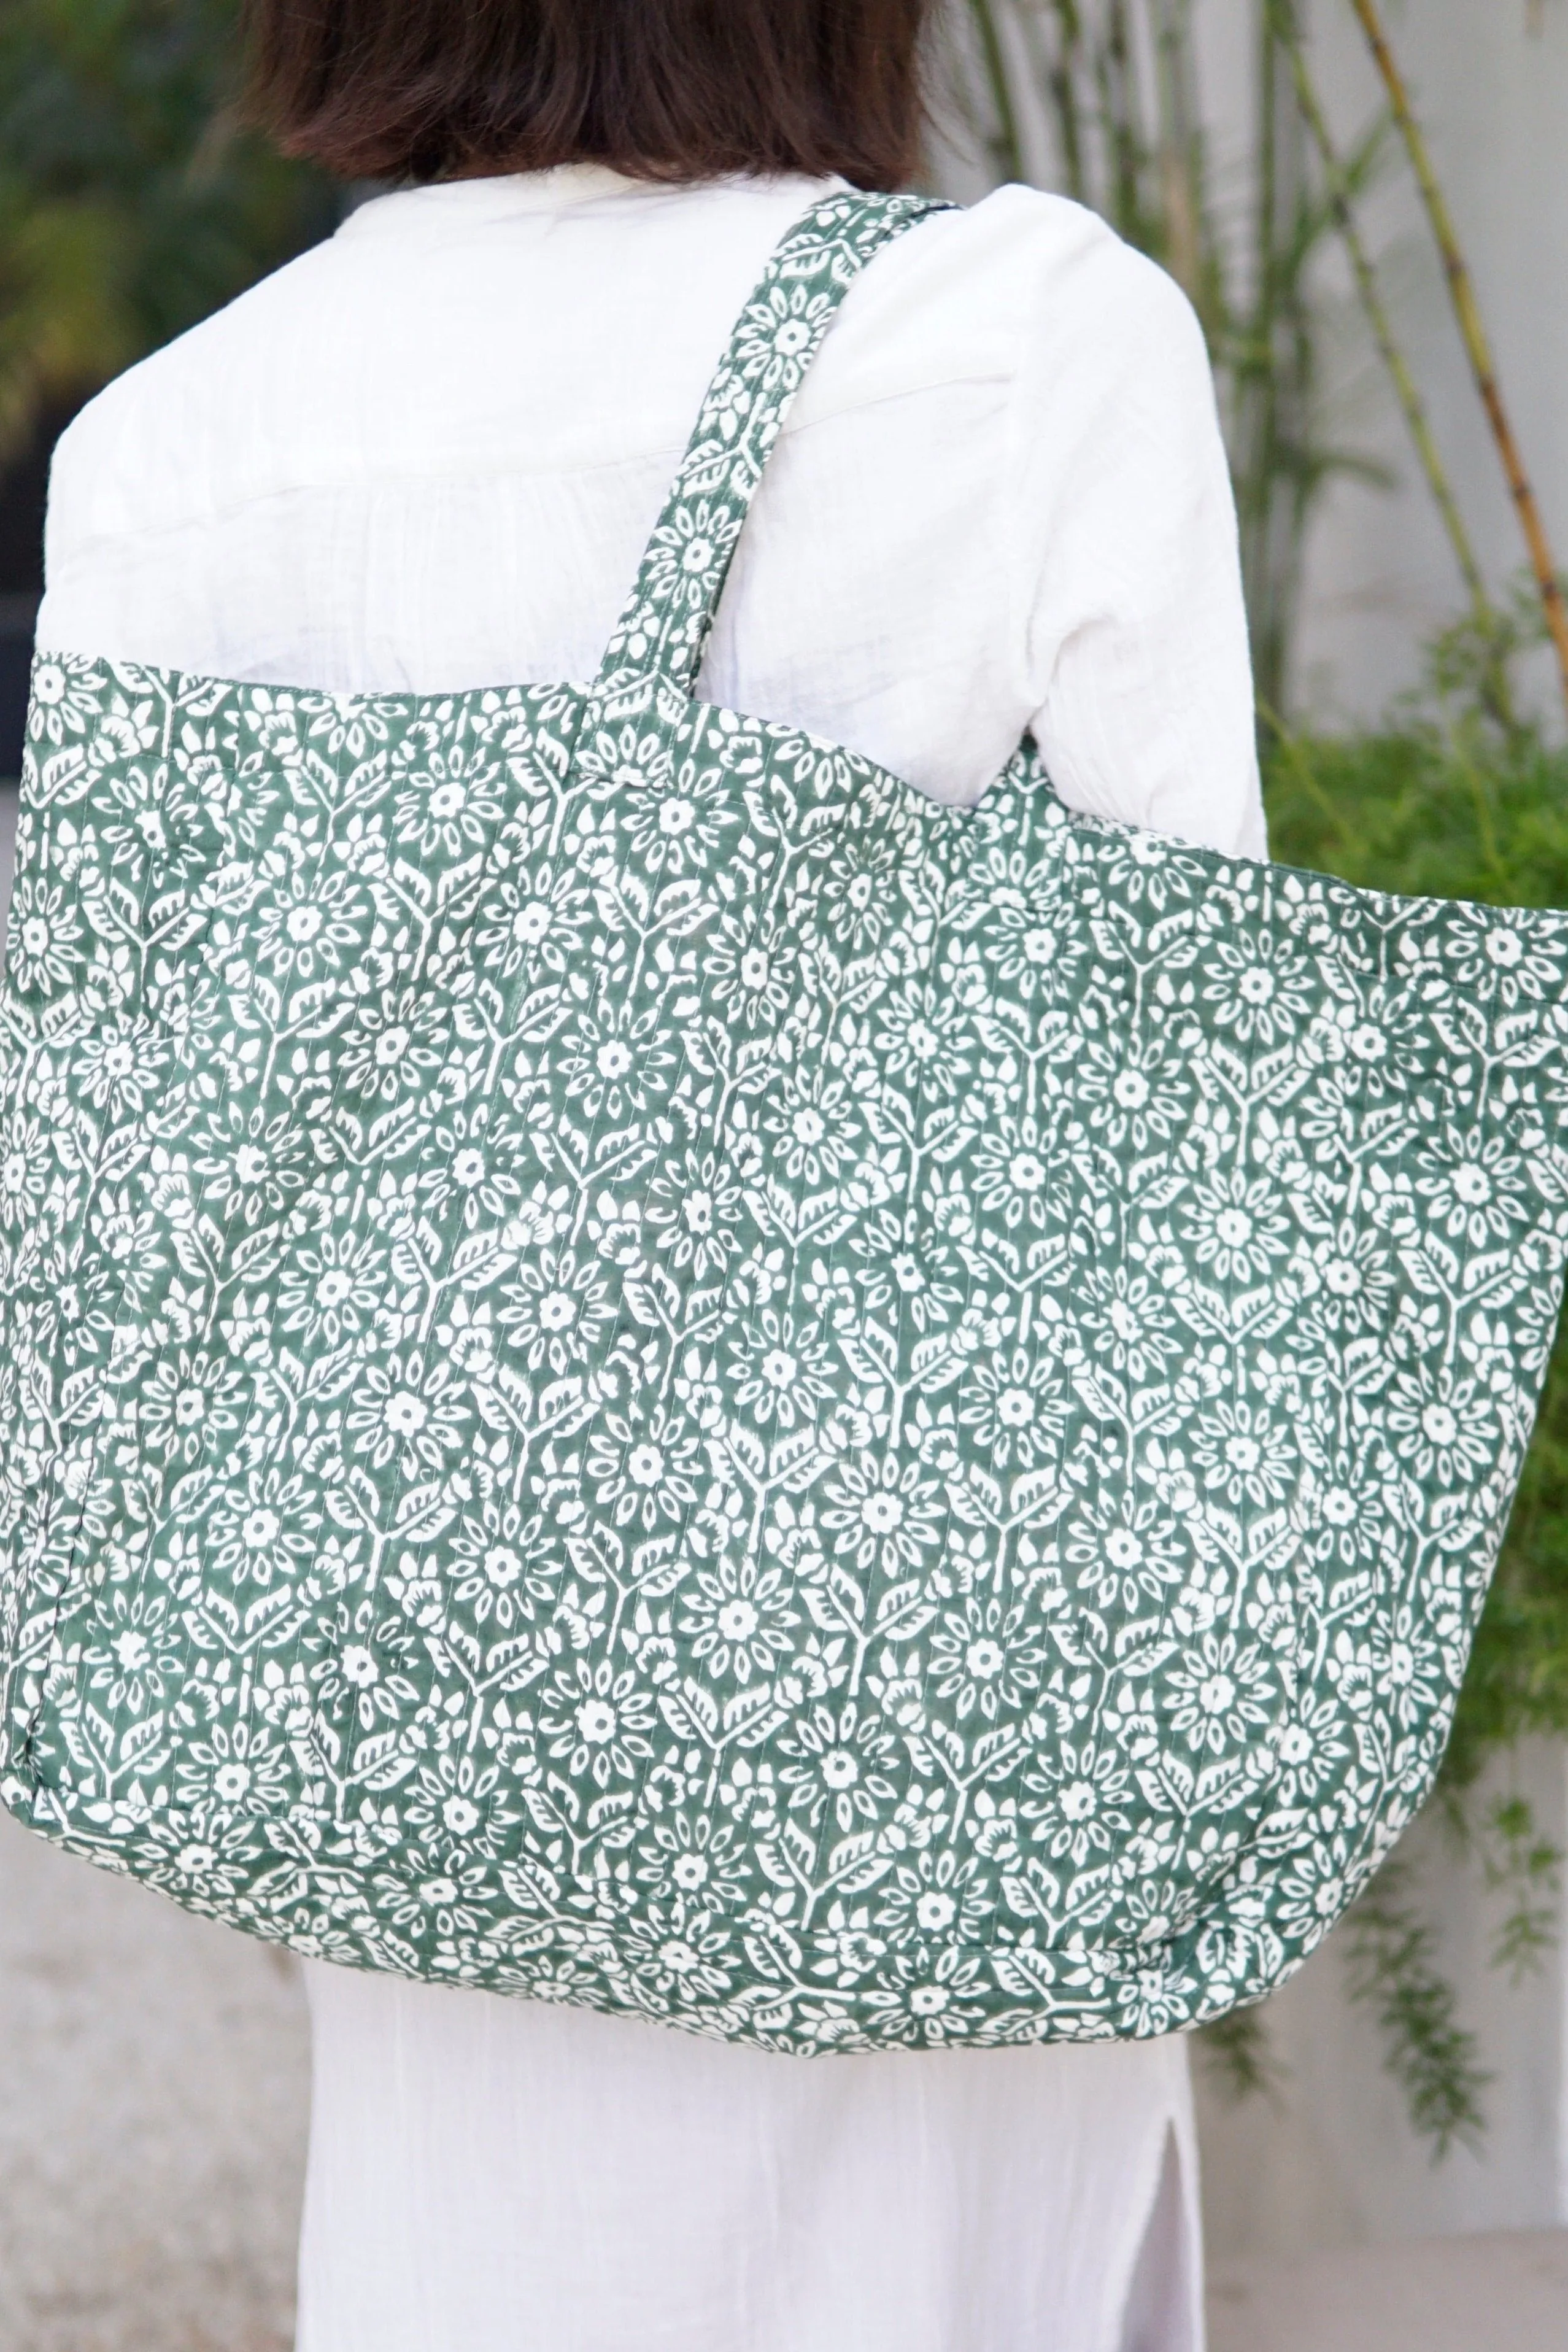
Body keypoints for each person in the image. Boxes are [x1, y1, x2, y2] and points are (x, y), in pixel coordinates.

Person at [36, 2, 1264, 2345]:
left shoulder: (166, 453)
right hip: (937, 1789)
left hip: (423, 1784)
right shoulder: (1020, 343)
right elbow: (1179, 1128)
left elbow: (140, 1219)